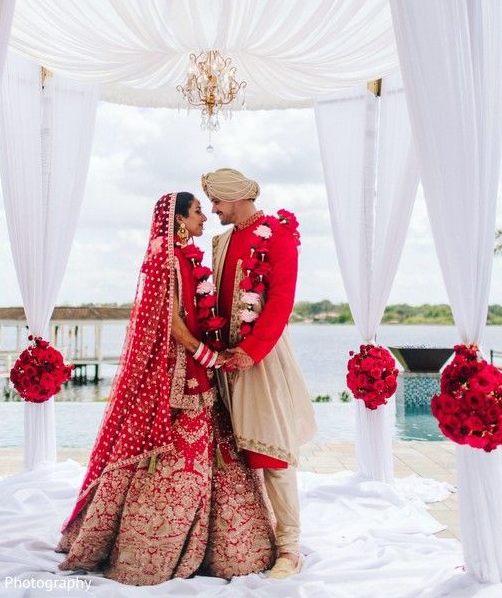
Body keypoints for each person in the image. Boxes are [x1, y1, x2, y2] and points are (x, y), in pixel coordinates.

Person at [57, 192, 276, 585]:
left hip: (198, 373)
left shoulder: (186, 259)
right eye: (196, 212)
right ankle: (155, 547)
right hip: (178, 376)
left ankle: (223, 546)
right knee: (178, 463)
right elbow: (171, 325)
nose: (205, 218)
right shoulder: (169, 262)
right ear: (177, 220)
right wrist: (207, 356)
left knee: (216, 457)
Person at [202, 168, 317, 580]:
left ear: (233, 196)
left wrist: (251, 352)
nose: (213, 210)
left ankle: (290, 549)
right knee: (233, 453)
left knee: (272, 453)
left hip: (260, 359)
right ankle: (242, 540)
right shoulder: (221, 242)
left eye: (216, 201)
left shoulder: (278, 233)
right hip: (223, 361)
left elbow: (281, 301)